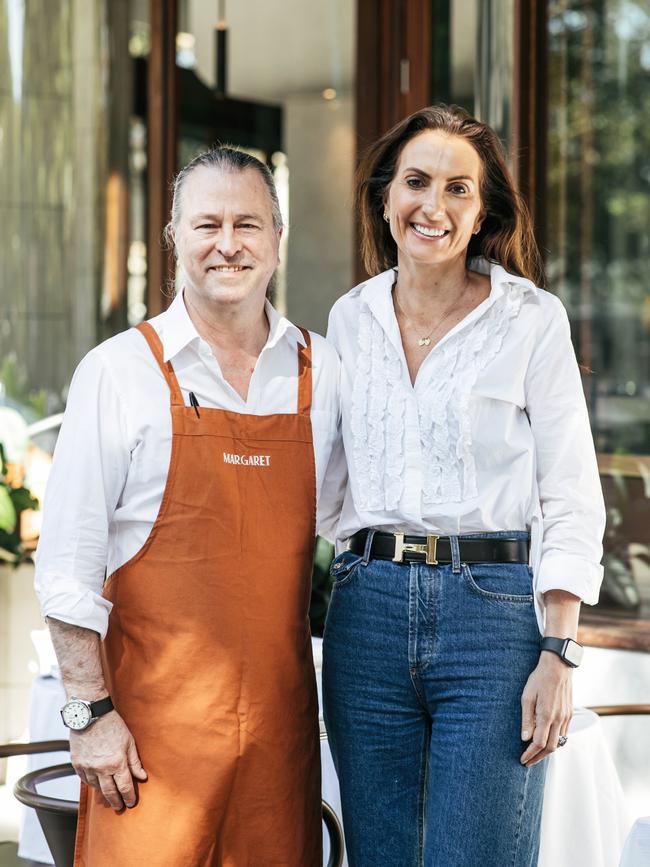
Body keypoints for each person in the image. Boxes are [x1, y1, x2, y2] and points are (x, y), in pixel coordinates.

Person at [34, 147, 342, 866]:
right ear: (173, 237)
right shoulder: (118, 372)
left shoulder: (322, 371)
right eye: (207, 224)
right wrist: (90, 716)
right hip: (146, 751)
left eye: (248, 224)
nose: (228, 244)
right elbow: (67, 567)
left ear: (277, 237)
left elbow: (353, 529)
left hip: (278, 747)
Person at [321, 104, 605, 866]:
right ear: (386, 197)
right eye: (417, 182)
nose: (433, 207)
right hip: (367, 610)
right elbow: (322, 487)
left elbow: (572, 493)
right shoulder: (348, 321)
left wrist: (559, 649)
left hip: (494, 616)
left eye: (458, 189)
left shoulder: (532, 322)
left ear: (482, 214)